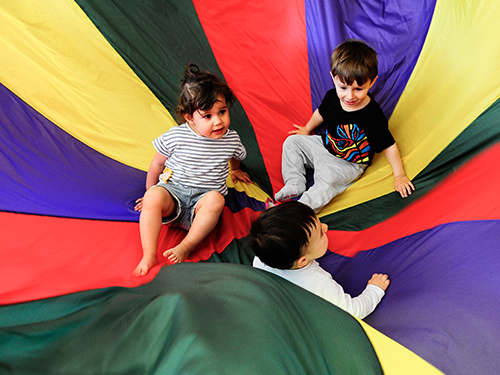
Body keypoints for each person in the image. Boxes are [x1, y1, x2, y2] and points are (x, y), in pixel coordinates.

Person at [133, 64, 252, 276]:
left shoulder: (231, 139)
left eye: (222, 112)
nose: (218, 121)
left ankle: (186, 245)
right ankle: (149, 254)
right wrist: (150, 192)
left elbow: (235, 156)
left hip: (202, 206)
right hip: (173, 195)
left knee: (217, 199)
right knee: (153, 197)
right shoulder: (176, 136)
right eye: (207, 116)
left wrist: (234, 171)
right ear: (190, 118)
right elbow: (157, 164)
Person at [274, 39, 415, 213]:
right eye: (343, 87)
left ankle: (297, 211)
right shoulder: (332, 97)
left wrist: (399, 175)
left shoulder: (372, 114)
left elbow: (388, 145)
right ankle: (294, 182)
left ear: (372, 82)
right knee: (292, 142)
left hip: (348, 164)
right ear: (333, 77)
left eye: (358, 89)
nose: (349, 96)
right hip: (326, 145)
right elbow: (320, 113)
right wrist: (307, 129)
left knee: (326, 183)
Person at [247, 201, 390, 319]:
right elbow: (352, 311)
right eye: (321, 234)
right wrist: (374, 290)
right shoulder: (318, 283)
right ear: (302, 261)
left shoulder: (262, 258)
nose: (326, 227)